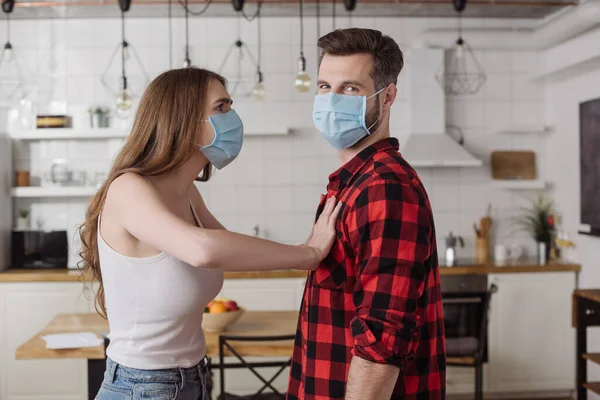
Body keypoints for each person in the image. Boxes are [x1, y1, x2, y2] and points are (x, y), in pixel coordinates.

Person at [78, 67, 342, 400]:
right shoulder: (128, 189)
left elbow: (228, 248)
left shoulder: (187, 193)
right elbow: (203, 250)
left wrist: (312, 250)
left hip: (193, 379)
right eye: (221, 107)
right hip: (143, 387)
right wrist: (308, 254)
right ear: (183, 118)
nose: (232, 118)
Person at [286, 28, 446, 400]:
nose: (331, 100)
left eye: (350, 89)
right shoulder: (351, 183)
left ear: (387, 96)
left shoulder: (386, 187)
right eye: (325, 87)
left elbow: (383, 339)